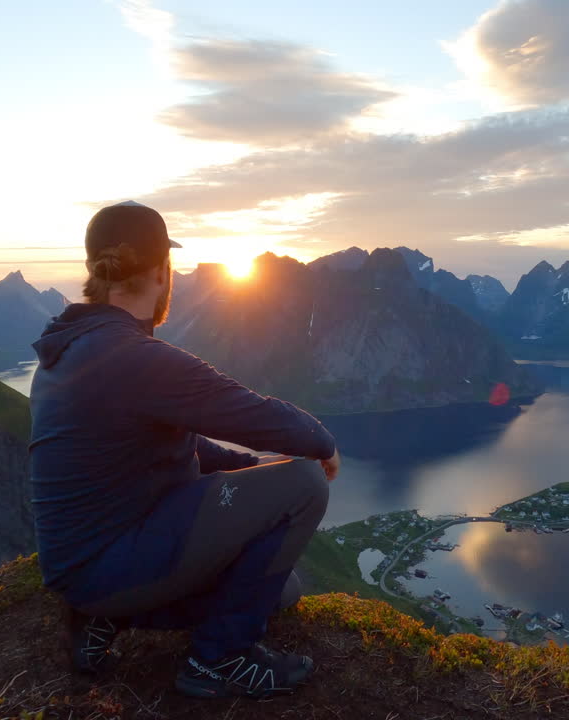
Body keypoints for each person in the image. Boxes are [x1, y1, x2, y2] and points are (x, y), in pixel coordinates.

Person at [28, 200, 339, 700]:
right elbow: (249, 412)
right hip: (107, 561)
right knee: (303, 485)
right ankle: (217, 661)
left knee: (282, 591)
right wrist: (319, 443)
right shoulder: (129, 355)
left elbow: (179, 444)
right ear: (160, 272)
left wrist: (251, 468)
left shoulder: (74, 346)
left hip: (92, 562)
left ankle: (105, 617)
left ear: (94, 273)